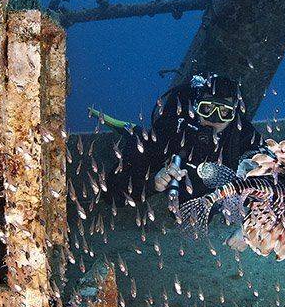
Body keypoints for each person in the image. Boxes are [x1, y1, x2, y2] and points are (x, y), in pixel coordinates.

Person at [109, 73, 264, 208]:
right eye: (207, 109)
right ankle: (130, 131)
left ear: (234, 115)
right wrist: (152, 184)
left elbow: (271, 179)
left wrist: (250, 225)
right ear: (196, 106)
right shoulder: (174, 126)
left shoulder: (243, 134)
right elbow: (113, 193)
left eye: (225, 112)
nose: (215, 119)